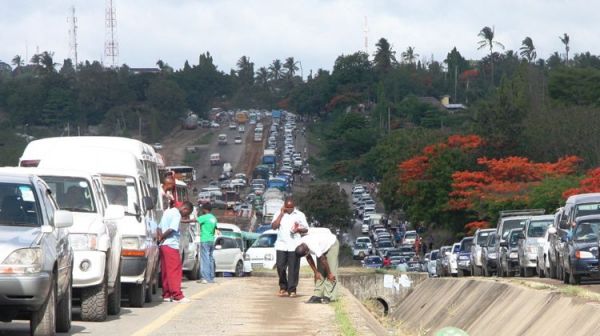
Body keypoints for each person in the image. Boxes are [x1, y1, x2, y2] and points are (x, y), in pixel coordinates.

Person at [271, 198, 308, 297]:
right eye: (287, 208)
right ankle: (283, 287)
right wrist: (281, 214)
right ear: (284, 206)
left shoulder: (300, 215)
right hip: (281, 245)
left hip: (294, 245)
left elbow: (306, 229)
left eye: (291, 208)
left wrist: (298, 229)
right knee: (280, 266)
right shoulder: (278, 213)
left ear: (293, 207)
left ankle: (292, 289)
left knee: (293, 268)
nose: (289, 210)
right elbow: (274, 226)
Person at [158, 201, 193, 303]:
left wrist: (160, 238)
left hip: (163, 246)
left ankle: (167, 294)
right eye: (186, 214)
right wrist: (162, 237)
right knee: (175, 271)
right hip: (171, 244)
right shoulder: (177, 214)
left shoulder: (167, 212)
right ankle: (177, 295)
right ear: (185, 209)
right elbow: (172, 229)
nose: (185, 216)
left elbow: (159, 227)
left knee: (165, 271)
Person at [295, 228, 339, 304]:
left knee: (331, 271)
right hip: (322, 247)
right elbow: (308, 257)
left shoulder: (313, 245)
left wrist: (329, 273)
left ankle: (329, 296)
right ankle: (317, 295)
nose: (305, 255)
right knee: (320, 273)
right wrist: (315, 272)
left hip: (331, 244)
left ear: (306, 250)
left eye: (305, 254)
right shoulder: (301, 243)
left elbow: (323, 260)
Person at [196, 203, 218, 283]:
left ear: (205, 209)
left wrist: (182, 220)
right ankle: (211, 277)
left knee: (205, 259)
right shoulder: (214, 218)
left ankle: (205, 278)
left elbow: (194, 220)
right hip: (211, 240)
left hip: (204, 239)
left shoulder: (204, 217)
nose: (202, 211)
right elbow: (215, 228)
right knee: (210, 259)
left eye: (202, 209)